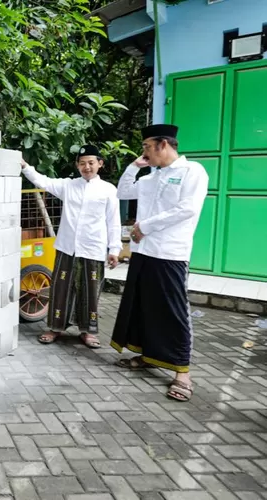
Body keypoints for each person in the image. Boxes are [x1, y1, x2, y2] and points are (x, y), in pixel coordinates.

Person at [111, 124, 208, 402]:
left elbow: (187, 208)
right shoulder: (152, 177)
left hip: (170, 253)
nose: (144, 152)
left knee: (173, 310)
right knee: (144, 307)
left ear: (163, 145)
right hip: (145, 252)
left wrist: (146, 225)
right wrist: (134, 165)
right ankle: (149, 356)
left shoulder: (193, 172)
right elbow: (123, 192)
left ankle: (182, 373)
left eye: (147, 147)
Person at [21, 144, 122, 349]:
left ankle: (88, 331)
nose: (87, 167)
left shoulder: (108, 190)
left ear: (100, 164)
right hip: (67, 247)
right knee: (60, 288)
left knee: (90, 290)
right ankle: (54, 328)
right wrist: (24, 166)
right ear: (77, 165)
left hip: (93, 247)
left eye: (91, 163)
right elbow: (44, 181)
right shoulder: (68, 186)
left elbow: (113, 221)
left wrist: (114, 250)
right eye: (82, 163)